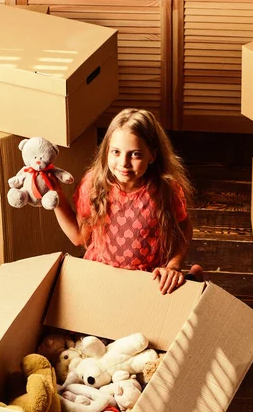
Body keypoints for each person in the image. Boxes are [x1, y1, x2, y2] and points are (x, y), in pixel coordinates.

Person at [53, 108, 204, 294]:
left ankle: (192, 278)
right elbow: (78, 237)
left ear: (152, 156)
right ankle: (193, 279)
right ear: (107, 150)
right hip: (101, 276)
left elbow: (184, 226)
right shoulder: (94, 184)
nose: (123, 163)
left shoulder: (166, 189)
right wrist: (55, 195)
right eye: (116, 152)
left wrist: (173, 265)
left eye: (135, 154)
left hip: (147, 279)